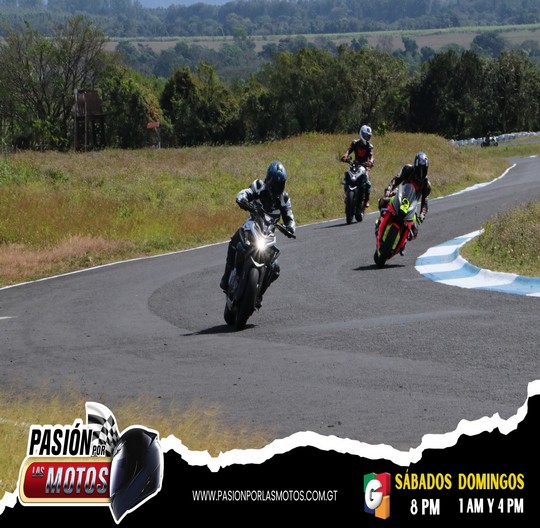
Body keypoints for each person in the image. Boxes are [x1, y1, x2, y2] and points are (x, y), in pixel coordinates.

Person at [220, 161, 296, 293]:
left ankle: (258, 294)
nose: (278, 187)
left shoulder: (284, 198)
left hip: (269, 234)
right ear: (269, 180)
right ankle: (226, 278)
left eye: (281, 184)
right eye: (275, 184)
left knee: (275, 269)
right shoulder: (259, 186)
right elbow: (244, 193)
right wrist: (243, 200)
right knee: (235, 241)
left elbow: (290, 217)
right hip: (252, 225)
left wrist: (290, 228)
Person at [375, 151, 431, 244]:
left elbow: (425, 203)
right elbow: (396, 180)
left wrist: (421, 216)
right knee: (383, 201)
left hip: (412, 205)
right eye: (419, 169)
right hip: (400, 194)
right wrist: (389, 189)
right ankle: (380, 222)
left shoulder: (426, 185)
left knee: (414, 231)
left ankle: (402, 243)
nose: (421, 173)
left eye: (423, 170)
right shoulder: (407, 169)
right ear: (415, 166)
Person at [340, 124, 374, 207]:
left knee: (368, 182)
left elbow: (371, 156)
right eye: (365, 136)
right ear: (361, 134)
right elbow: (349, 150)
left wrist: (371, 162)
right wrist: (345, 156)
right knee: (346, 177)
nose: (367, 138)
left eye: (368, 136)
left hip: (364, 166)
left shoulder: (369, 146)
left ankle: (366, 199)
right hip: (355, 165)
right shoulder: (355, 143)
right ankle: (347, 195)